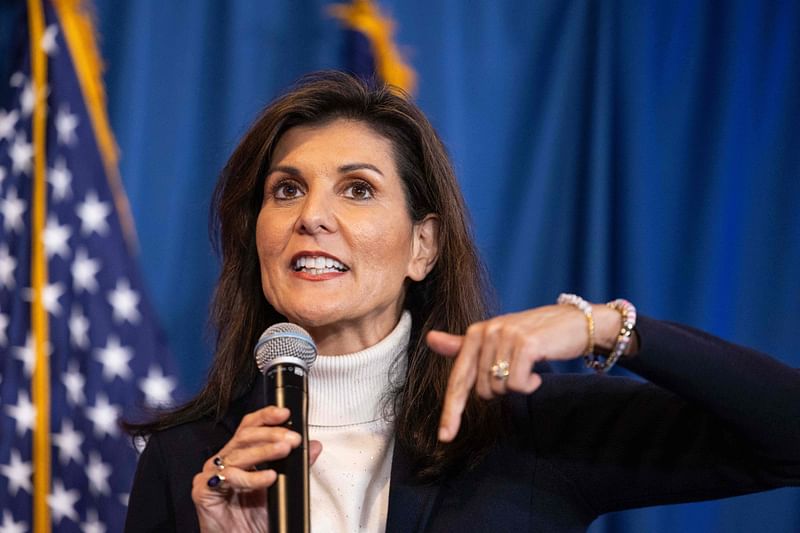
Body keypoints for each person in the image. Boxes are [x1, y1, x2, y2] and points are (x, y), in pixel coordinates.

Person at [124, 71, 800, 532]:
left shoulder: (520, 430)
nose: (312, 216)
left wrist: (602, 326)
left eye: (357, 189)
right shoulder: (192, 463)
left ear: (424, 245)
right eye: (286, 190)